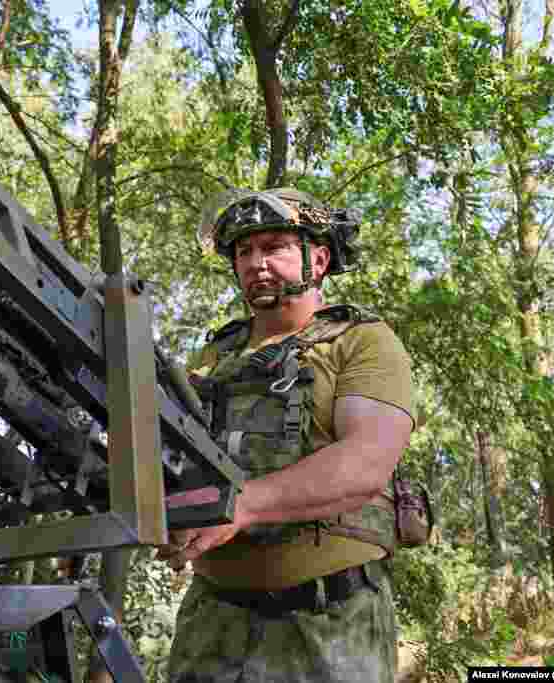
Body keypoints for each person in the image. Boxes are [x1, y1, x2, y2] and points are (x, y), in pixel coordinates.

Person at [159, 188, 415, 683]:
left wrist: (245, 504)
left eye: (273, 246)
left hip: (327, 624)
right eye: (243, 251)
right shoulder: (214, 358)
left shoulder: (361, 340)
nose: (255, 262)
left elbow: (366, 463)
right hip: (212, 621)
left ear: (317, 259)